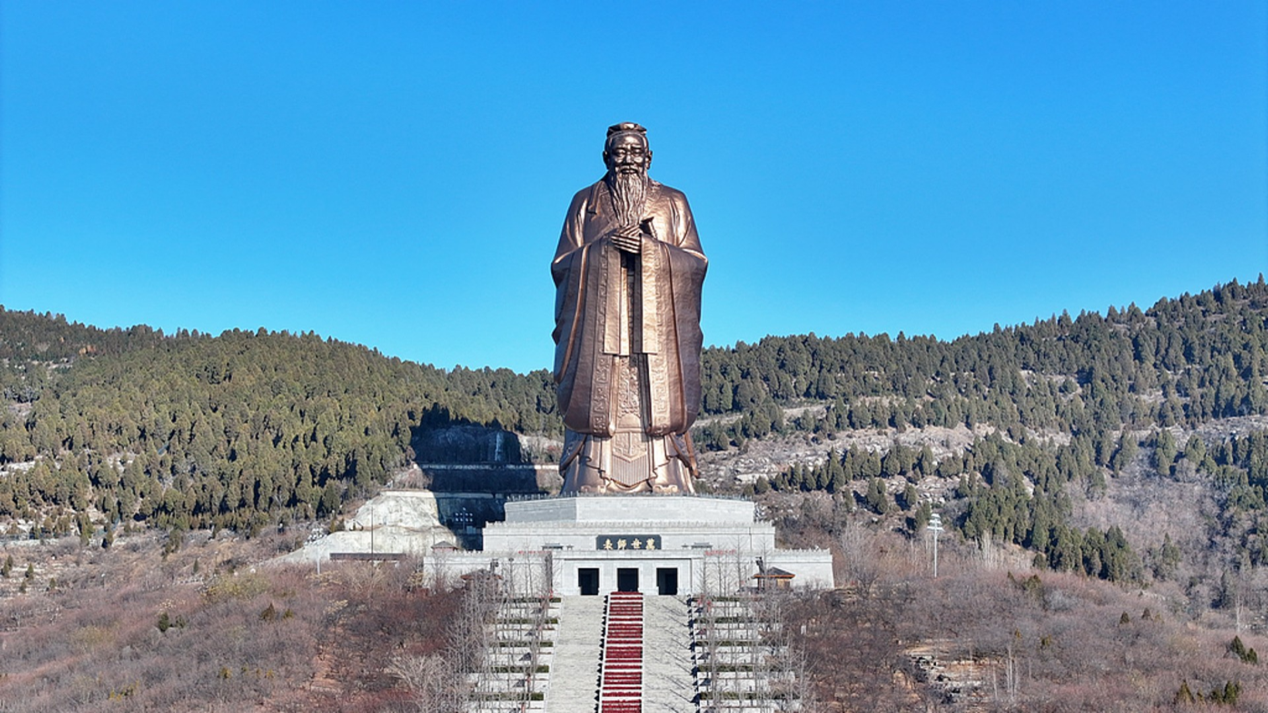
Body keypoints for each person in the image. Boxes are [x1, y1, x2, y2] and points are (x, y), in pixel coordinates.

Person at [551, 122, 708, 493]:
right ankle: (590, 474)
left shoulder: (673, 201)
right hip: (599, 332)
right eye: (620, 152)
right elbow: (562, 264)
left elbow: (696, 262)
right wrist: (604, 249)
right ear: (606, 156)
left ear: (649, 157)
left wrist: (651, 250)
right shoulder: (584, 202)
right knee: (599, 397)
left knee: (657, 396)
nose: (628, 159)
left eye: (636, 151)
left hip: (656, 332)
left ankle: (666, 474)